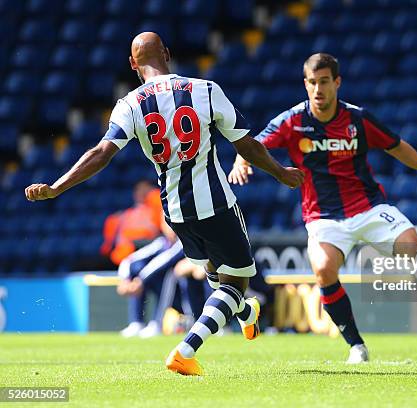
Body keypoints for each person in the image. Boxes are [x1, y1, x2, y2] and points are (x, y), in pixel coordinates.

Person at [24, 32, 304, 376]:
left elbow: (101, 154)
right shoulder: (205, 90)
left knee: (217, 276)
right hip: (214, 203)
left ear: (132, 64)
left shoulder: (129, 104)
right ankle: (186, 350)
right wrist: (279, 173)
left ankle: (246, 315)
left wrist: (56, 187)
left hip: (175, 212)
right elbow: (246, 146)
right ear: (167, 54)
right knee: (235, 283)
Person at [228, 53, 417, 363]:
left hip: (369, 208)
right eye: (312, 83)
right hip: (323, 217)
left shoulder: (357, 118)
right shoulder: (293, 121)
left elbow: (397, 146)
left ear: (337, 82)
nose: (318, 90)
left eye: (325, 82)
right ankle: (356, 346)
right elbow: (255, 143)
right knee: (323, 269)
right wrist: (241, 160)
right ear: (305, 85)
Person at [117, 218, 191, 338]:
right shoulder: (161, 243)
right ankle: (136, 322)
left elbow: (165, 260)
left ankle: (157, 323)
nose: (170, 228)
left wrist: (140, 280)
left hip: (185, 299)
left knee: (168, 274)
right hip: (170, 295)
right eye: (167, 224)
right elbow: (129, 260)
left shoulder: (184, 243)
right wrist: (125, 280)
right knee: (136, 269)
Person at [100, 180, 162, 265]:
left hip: (147, 248)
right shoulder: (123, 215)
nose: (142, 192)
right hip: (123, 255)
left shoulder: (157, 208)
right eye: (139, 189)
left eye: (145, 189)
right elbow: (107, 246)